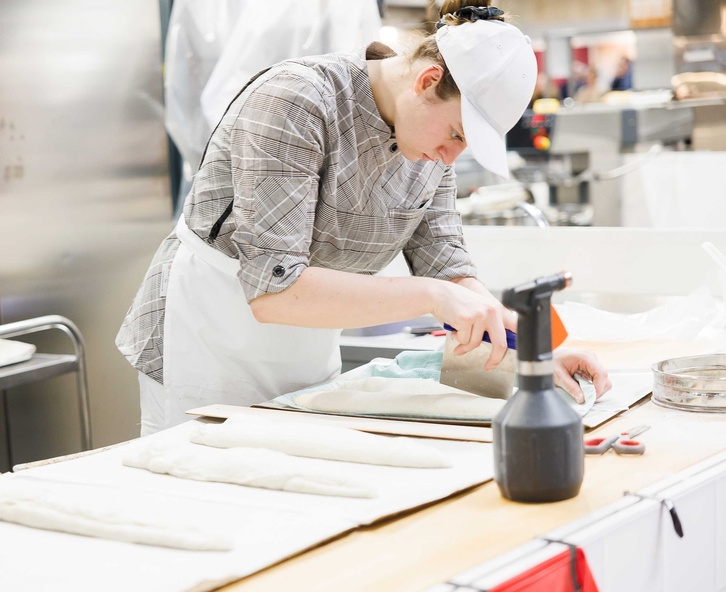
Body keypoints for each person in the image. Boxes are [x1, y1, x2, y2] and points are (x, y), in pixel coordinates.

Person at [117, 0, 612, 436]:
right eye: (458, 134)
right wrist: (433, 297)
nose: (451, 157)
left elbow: (447, 267)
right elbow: (274, 290)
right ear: (427, 81)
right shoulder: (296, 101)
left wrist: (533, 358)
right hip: (211, 333)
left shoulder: (427, 146)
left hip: (305, 341)